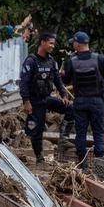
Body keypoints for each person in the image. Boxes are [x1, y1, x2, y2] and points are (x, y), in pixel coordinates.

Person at [61, 31, 104, 165]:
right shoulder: (99, 58)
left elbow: (65, 80)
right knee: (98, 133)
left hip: (80, 102)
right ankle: (100, 164)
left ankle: (83, 165)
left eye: (73, 43)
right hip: (97, 101)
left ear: (77, 44)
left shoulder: (72, 61)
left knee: (80, 133)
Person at [20, 33, 74, 163]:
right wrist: (26, 102)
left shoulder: (51, 61)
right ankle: (40, 158)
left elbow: (58, 80)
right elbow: (23, 83)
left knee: (71, 108)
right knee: (36, 131)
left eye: (53, 44)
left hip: (47, 98)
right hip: (34, 101)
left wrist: (64, 94)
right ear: (42, 42)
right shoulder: (31, 61)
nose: (52, 46)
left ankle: (63, 139)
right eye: (50, 43)